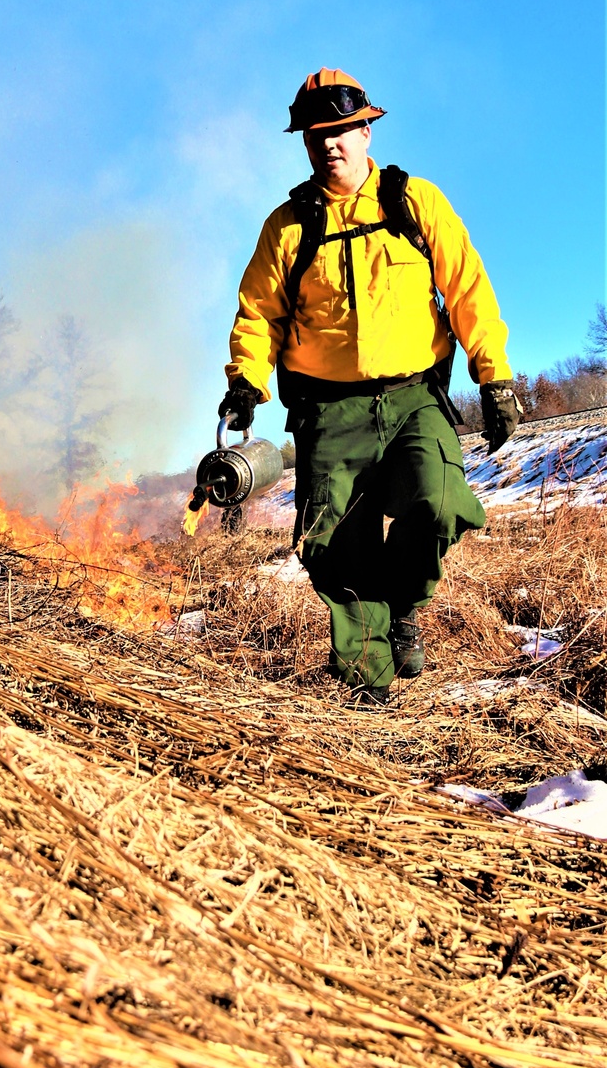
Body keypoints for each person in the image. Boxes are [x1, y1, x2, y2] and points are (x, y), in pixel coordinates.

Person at [220, 67, 521, 706]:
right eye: (313, 135)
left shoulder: (415, 203)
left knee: (438, 502)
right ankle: (368, 699)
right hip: (328, 412)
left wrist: (494, 377)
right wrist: (246, 381)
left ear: (366, 130)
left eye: (339, 131)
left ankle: (405, 605)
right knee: (337, 545)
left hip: (415, 398)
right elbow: (259, 312)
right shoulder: (289, 226)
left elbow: (467, 287)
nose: (327, 144)